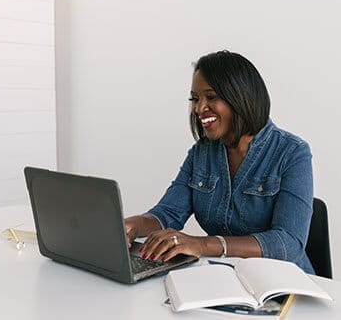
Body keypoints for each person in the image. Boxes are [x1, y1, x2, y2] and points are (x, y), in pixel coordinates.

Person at [124, 50, 315, 274]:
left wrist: (203, 244)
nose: (199, 108)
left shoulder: (292, 153)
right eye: (195, 99)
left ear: (241, 97)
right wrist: (133, 225)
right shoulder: (201, 154)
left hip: (283, 284)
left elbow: (288, 244)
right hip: (223, 278)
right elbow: (168, 213)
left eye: (211, 97)